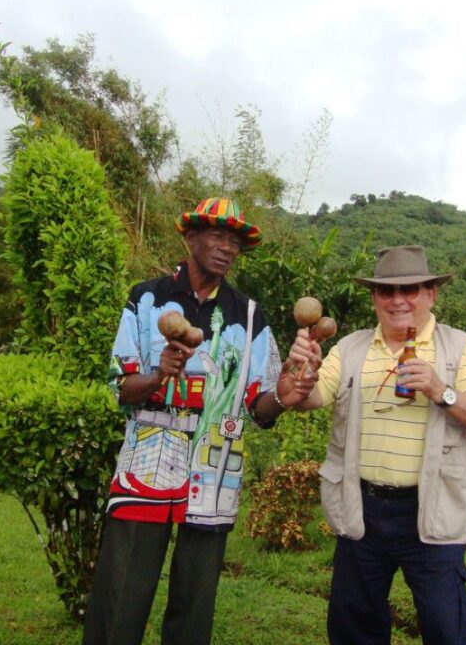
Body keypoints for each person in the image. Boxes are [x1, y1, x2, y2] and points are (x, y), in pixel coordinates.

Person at [82, 197, 307, 645]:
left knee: (195, 600)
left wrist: (283, 397)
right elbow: (118, 388)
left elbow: (256, 407)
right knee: (121, 593)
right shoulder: (147, 300)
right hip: (146, 462)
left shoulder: (249, 316)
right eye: (218, 236)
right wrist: (158, 373)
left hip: (214, 470)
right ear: (190, 238)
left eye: (235, 242)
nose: (227, 248)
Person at [286, 245, 466, 645]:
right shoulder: (349, 348)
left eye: (411, 289)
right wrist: (300, 372)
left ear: (431, 294)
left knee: (447, 629)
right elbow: (306, 399)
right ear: (374, 298)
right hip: (361, 510)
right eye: (386, 291)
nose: (398, 300)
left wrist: (442, 390)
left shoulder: (461, 349)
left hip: (433, 511)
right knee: (354, 628)